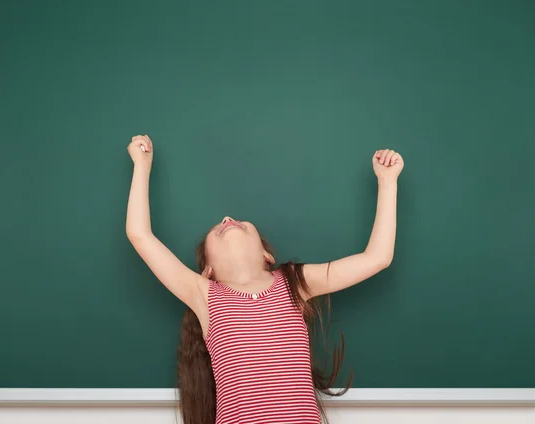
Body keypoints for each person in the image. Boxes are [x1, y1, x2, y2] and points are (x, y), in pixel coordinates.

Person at [126, 134, 403, 424]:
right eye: (216, 227)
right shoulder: (204, 294)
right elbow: (140, 235)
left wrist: (387, 181)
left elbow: (377, 258)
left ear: (266, 256)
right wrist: (141, 165)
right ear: (207, 270)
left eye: (240, 222)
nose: (227, 218)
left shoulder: (294, 283)